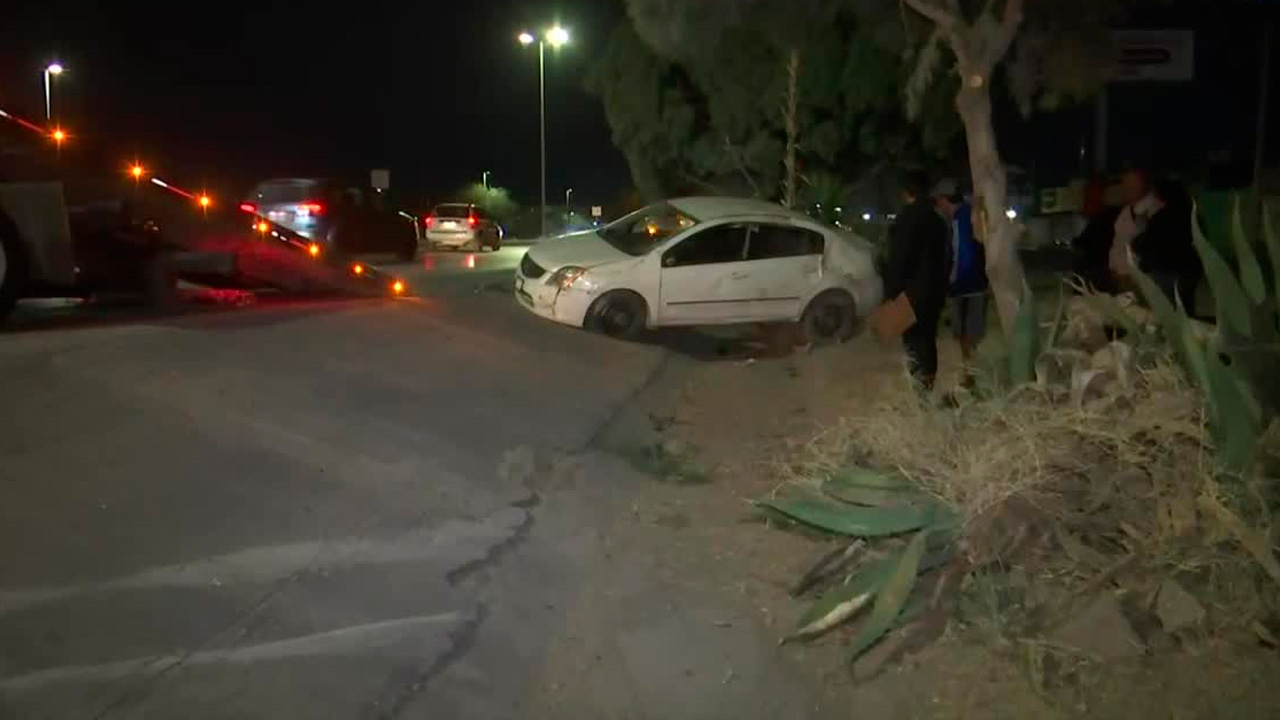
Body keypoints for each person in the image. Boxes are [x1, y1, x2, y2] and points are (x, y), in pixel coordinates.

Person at [883, 169, 951, 392]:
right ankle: (928, 389)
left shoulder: (906, 219)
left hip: (910, 294)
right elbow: (946, 257)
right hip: (935, 292)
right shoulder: (938, 221)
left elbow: (899, 259)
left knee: (913, 343)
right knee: (929, 341)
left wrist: (891, 293)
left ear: (906, 193)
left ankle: (919, 393)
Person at [932, 179, 988, 385]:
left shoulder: (959, 219)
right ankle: (970, 375)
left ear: (944, 200)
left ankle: (970, 376)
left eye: (939, 203)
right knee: (971, 336)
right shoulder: (971, 213)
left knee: (965, 336)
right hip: (978, 283)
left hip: (965, 286)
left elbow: (962, 254)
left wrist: (951, 282)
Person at [1132, 178, 1201, 308]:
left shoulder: (1161, 218)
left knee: (1167, 310)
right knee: (1186, 309)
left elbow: (1147, 244)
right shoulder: (1193, 216)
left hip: (1165, 271)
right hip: (1188, 271)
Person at [1108, 169, 1161, 287]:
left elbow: (1147, 246)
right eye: (1126, 183)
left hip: (1134, 279)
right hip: (1120, 276)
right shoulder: (1128, 210)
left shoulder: (1151, 210)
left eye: (1132, 184)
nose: (1127, 187)